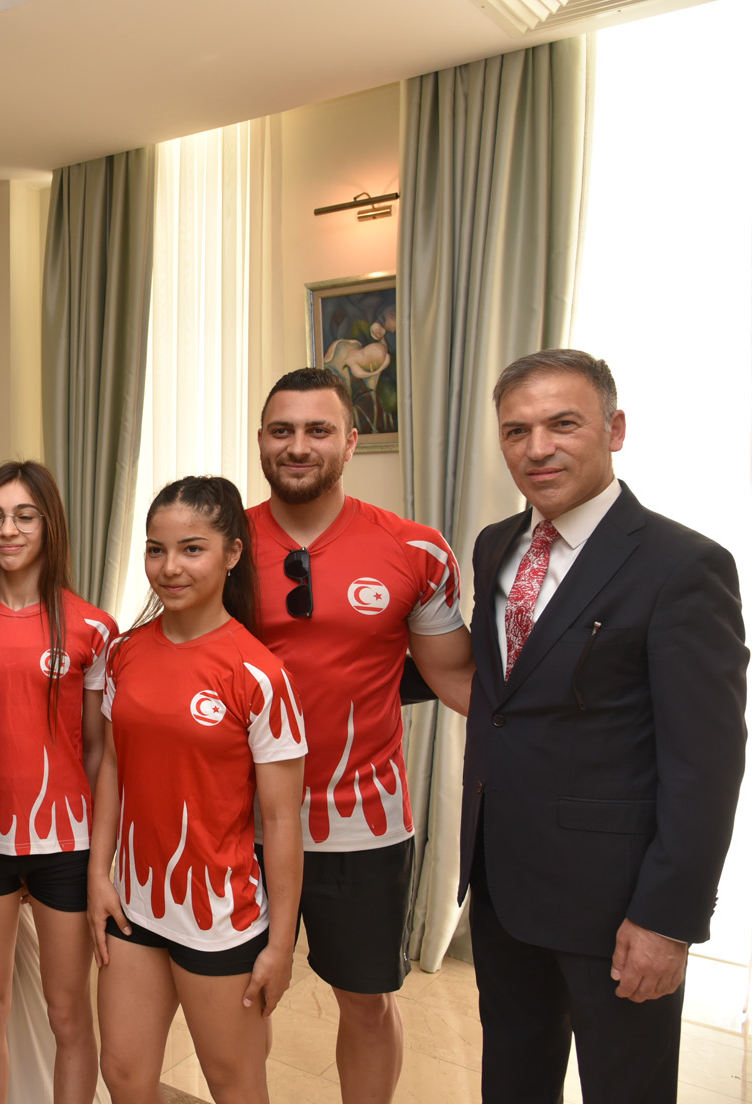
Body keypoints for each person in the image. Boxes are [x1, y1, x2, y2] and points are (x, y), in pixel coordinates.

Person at [459, 349, 748, 1103]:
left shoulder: (683, 565)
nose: (537, 448)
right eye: (516, 430)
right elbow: (507, 691)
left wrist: (667, 920)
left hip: (615, 904)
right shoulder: (495, 545)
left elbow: (706, 764)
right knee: (512, 1082)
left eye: (563, 424)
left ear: (615, 430)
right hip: (502, 883)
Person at [246, 367, 474, 1103]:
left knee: (368, 1002)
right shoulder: (219, 543)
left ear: (351, 441)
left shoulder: (416, 550)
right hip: (237, 822)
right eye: (282, 430)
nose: (298, 446)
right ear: (261, 441)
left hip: (362, 823)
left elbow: (457, 678)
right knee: (241, 998)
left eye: (318, 430)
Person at [88, 477, 306, 1104]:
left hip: (220, 919)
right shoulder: (125, 653)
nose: (169, 567)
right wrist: (99, 873)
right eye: (156, 550)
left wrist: (281, 944)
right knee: (124, 1075)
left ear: (232, 553)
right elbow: (112, 768)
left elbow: (282, 821)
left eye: (191, 549)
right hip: (134, 904)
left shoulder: (260, 674)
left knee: (234, 1085)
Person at [0, 461, 114, 1104]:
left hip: (66, 848)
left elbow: (96, 751)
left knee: (68, 1016)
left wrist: (100, 860)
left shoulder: (94, 629)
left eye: (23, 516)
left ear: (50, 525)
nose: (7, 530)